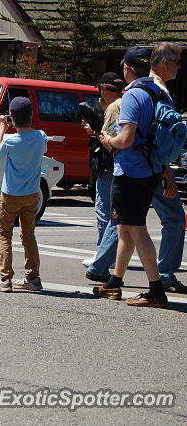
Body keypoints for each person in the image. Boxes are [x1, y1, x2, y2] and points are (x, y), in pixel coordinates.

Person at [86, 44, 186, 296]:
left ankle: (155, 289)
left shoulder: (133, 94)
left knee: (136, 230)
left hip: (130, 171)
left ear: (127, 68)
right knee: (124, 229)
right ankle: (114, 283)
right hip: (150, 168)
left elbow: (127, 138)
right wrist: (165, 174)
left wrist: (108, 141)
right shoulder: (159, 92)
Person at [0, 97, 47, 293]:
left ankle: (5, 278)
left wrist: (1, 129)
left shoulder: (11, 140)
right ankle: (33, 277)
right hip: (32, 193)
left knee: (4, 234)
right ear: (31, 115)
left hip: (11, 194)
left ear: (12, 117)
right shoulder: (40, 136)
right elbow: (43, 147)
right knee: (28, 234)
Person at [82, 72, 125, 261]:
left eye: (100, 89)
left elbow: (111, 141)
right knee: (119, 215)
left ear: (105, 89)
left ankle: (102, 255)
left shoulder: (116, 108)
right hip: (123, 167)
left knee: (104, 213)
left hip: (109, 166)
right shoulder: (125, 104)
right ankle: (110, 255)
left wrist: (96, 131)